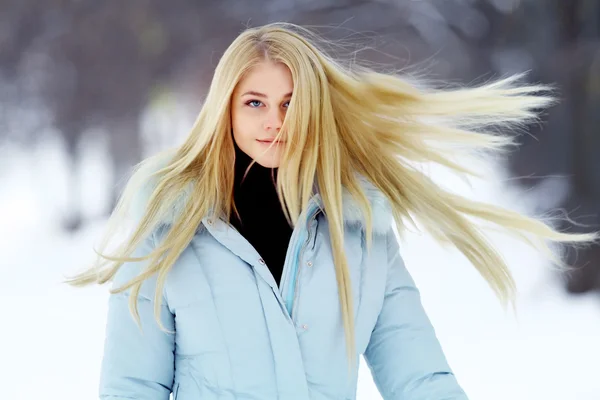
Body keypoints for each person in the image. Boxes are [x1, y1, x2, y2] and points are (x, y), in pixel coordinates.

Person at [66, 22, 597, 400]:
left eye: (292, 103)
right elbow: (133, 387)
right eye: (255, 102)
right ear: (224, 107)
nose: (275, 120)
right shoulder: (169, 225)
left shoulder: (359, 230)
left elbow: (417, 375)